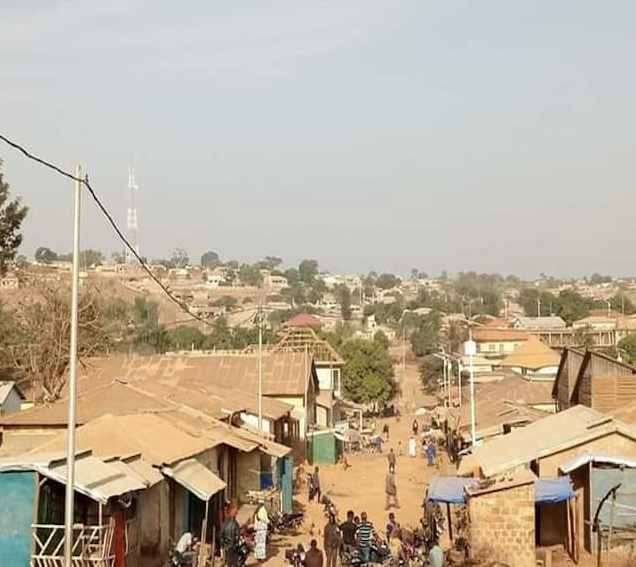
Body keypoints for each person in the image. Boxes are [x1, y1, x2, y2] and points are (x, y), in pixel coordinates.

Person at [221, 503, 241, 567]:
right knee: (234, 562)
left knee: (229, 561)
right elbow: (237, 536)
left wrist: (223, 544)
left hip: (227, 546)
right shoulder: (235, 524)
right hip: (233, 546)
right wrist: (236, 544)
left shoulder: (225, 523)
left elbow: (221, 534)